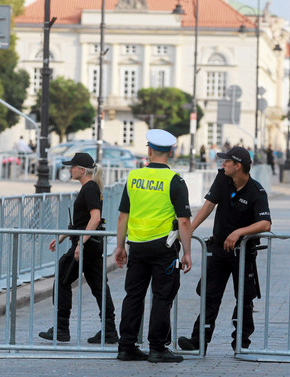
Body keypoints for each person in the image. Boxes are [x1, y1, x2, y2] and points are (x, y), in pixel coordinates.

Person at [178, 146, 271, 353]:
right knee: (209, 294)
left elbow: (265, 223)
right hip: (219, 249)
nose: (223, 164)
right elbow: (208, 206)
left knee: (245, 298)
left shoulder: (256, 191)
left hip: (242, 253)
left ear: (238, 166)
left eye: (227, 161)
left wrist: (239, 232)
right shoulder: (222, 178)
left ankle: (241, 341)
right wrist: (188, 231)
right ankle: (198, 340)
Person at [115, 129, 192, 363]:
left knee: (133, 296)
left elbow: (122, 217)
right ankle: (157, 347)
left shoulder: (133, 177)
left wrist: (120, 247)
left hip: (137, 246)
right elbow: (184, 221)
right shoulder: (175, 181)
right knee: (162, 296)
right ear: (170, 151)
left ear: (149, 150)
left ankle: (126, 346)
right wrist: (187, 251)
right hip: (164, 248)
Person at [39, 153, 118, 344]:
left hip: (87, 245)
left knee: (62, 279)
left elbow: (95, 218)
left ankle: (61, 328)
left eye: (72, 167)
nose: (70, 170)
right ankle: (109, 330)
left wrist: (80, 244)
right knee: (99, 287)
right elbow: (83, 221)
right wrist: (62, 236)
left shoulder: (89, 188)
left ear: (82, 170)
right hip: (92, 243)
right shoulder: (91, 187)